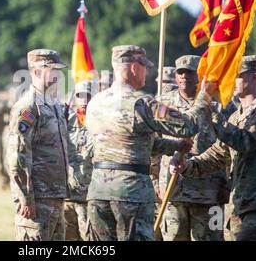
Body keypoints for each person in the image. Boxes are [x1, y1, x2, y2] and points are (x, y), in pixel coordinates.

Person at [85, 45, 215, 241]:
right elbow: (189, 125)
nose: (147, 72)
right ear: (135, 68)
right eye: (145, 66)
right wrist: (204, 96)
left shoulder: (95, 102)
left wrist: (174, 146)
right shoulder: (143, 103)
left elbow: (132, 142)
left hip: (98, 191)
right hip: (131, 192)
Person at [172, 55, 256, 241]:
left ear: (254, 77)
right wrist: (186, 166)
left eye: (235, 75)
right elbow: (218, 155)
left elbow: (245, 141)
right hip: (240, 207)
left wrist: (212, 112)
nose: (229, 81)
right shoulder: (236, 117)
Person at [153, 55, 228, 241]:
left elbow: (230, 147)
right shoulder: (162, 103)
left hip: (210, 192)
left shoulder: (219, 104)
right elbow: (154, 144)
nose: (184, 76)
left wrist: (228, 183)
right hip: (172, 191)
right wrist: (154, 182)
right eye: (180, 72)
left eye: (190, 72)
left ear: (200, 76)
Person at [7, 49, 70, 241]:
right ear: (36, 72)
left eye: (59, 70)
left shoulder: (53, 105)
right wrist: (26, 198)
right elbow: (18, 156)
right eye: (52, 69)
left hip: (56, 197)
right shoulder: (27, 107)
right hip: (37, 201)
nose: (58, 75)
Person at [64, 80, 94, 241]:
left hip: (88, 194)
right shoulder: (64, 121)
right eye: (80, 96)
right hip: (67, 191)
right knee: (68, 237)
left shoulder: (99, 122)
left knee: (88, 237)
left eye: (87, 96)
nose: (84, 100)